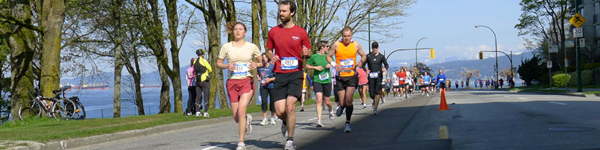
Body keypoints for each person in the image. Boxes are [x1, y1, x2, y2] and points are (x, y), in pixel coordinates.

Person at [265, 1, 312, 149]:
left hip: (296, 74)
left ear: (292, 13)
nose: (281, 14)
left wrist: (307, 53)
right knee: (280, 111)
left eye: (284, 11)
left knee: (290, 107)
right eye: (280, 11)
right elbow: (268, 50)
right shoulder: (273, 32)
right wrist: (270, 56)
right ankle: (285, 122)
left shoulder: (301, 32)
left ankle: (290, 140)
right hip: (280, 74)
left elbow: (309, 52)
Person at [217, 22, 262, 150]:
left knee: (241, 111)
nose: (237, 31)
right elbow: (218, 63)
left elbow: (262, 62)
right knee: (237, 117)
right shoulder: (226, 47)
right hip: (232, 82)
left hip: (246, 80)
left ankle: (241, 142)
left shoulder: (252, 47)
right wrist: (227, 66)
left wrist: (256, 65)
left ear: (245, 32)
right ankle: (246, 119)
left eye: (240, 29)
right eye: (236, 29)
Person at [326, 26, 367, 133]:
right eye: (345, 36)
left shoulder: (356, 44)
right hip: (340, 77)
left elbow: (363, 55)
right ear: (342, 36)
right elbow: (328, 56)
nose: (347, 38)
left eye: (349, 36)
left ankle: (347, 123)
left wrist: (361, 62)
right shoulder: (336, 44)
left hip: (352, 76)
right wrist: (335, 65)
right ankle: (342, 107)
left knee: (349, 99)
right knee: (342, 102)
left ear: (352, 36)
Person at [305, 40, 335, 127]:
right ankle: (319, 120)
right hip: (317, 80)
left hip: (327, 81)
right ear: (322, 47)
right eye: (327, 46)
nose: (328, 48)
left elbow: (334, 64)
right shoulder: (314, 57)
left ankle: (330, 109)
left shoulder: (328, 56)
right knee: (319, 100)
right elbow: (307, 66)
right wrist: (315, 67)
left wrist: (330, 65)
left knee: (327, 101)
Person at [363, 41, 389, 114]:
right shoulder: (368, 56)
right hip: (371, 76)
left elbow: (386, 64)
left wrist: (385, 68)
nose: (374, 49)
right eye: (373, 48)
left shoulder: (381, 56)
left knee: (377, 91)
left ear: (378, 48)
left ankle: (375, 109)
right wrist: (366, 70)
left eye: (376, 48)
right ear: (372, 48)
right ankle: (374, 100)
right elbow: (363, 65)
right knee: (371, 93)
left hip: (378, 76)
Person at [258, 53, 277, 126]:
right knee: (264, 101)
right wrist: (258, 77)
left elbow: (276, 77)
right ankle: (265, 118)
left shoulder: (272, 67)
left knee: (272, 102)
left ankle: (272, 117)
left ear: (268, 59)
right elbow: (258, 73)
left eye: (265, 57)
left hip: (271, 86)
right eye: (263, 58)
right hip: (263, 86)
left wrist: (270, 79)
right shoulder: (259, 67)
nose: (264, 59)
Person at [193, 49, 212, 117]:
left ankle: (197, 111)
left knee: (198, 95)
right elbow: (210, 69)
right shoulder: (204, 61)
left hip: (197, 80)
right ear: (202, 54)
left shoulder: (195, 61)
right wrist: (207, 73)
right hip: (204, 80)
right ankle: (205, 112)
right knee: (206, 95)